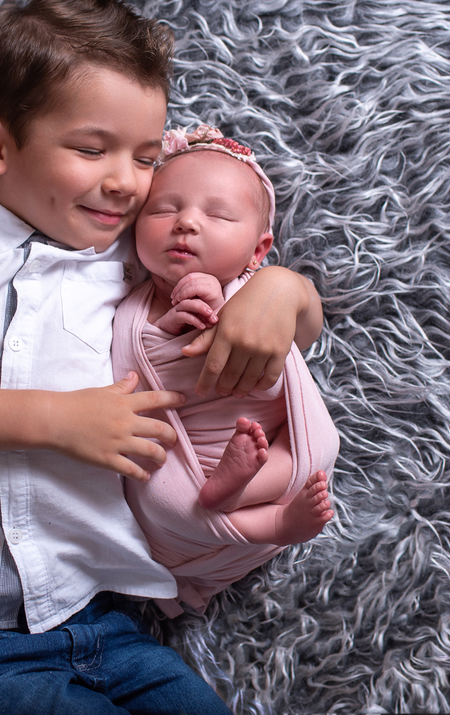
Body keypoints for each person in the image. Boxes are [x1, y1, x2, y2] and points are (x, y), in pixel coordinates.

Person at [0, 0, 322, 714]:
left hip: (105, 616)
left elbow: (286, 331)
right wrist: (58, 419)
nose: (125, 183)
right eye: (92, 149)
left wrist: (282, 288)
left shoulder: (136, 257)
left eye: (146, 158)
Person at [112, 125, 340, 617]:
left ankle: (238, 496)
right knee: (165, 502)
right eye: (163, 210)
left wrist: (264, 294)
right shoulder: (124, 306)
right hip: (187, 463)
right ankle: (271, 521)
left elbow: (300, 341)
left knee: (320, 448)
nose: (186, 223)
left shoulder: (258, 291)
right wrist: (174, 326)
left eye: (216, 215)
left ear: (258, 250)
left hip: (266, 448)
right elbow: (138, 360)